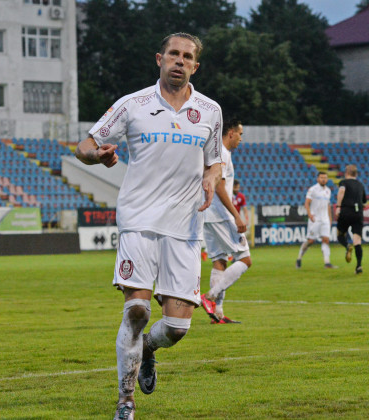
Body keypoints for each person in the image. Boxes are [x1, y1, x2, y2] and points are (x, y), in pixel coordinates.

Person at [74, 32, 222, 420]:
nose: (179, 60)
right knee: (137, 310)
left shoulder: (210, 110)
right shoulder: (133, 104)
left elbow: (215, 158)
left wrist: (212, 176)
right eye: (173, 53)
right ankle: (125, 402)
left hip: (186, 226)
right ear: (159, 58)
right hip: (138, 219)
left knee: (175, 328)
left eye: (187, 56)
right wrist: (98, 156)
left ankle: (149, 351)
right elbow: (85, 146)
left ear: (195, 66)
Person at [199, 119, 251, 325]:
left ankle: (217, 314)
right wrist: (236, 215)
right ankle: (210, 297)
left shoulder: (214, 151)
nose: (241, 138)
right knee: (245, 259)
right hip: (221, 214)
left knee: (219, 261)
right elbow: (218, 186)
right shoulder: (222, 154)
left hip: (208, 214)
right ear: (230, 133)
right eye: (240, 134)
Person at [296, 172, 336, 269]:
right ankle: (299, 258)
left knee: (326, 239)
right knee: (311, 241)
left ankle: (327, 262)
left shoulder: (328, 191)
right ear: (317, 179)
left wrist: (330, 219)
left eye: (325, 178)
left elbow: (328, 205)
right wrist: (310, 214)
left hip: (325, 219)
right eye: (321, 177)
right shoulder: (312, 190)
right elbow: (307, 203)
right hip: (315, 218)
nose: (323, 179)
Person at [335, 164, 367, 274]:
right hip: (358, 213)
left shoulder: (343, 182)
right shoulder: (361, 185)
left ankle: (347, 246)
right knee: (357, 240)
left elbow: (341, 192)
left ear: (346, 173)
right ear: (356, 174)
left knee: (340, 234)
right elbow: (364, 201)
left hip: (346, 211)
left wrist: (338, 207)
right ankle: (359, 266)